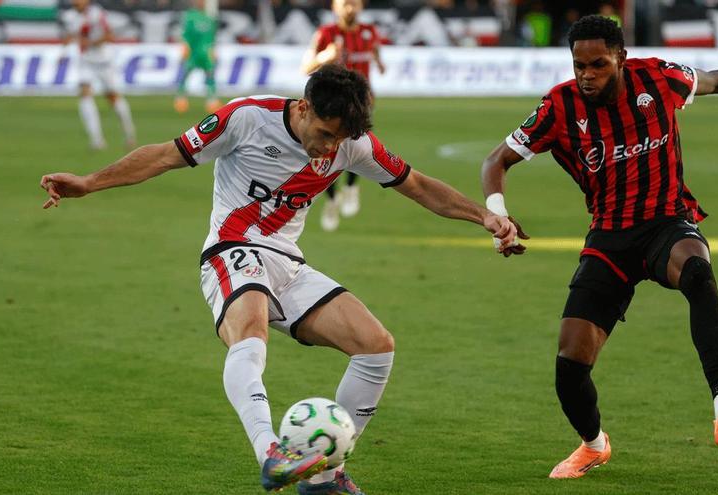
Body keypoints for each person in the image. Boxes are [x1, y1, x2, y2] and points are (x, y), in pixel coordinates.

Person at [40, 65, 517, 494]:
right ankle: (271, 452)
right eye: (325, 134)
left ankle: (324, 478)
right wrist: (88, 183)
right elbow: (164, 156)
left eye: (339, 140)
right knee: (250, 331)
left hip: (287, 264)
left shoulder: (351, 143)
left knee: (377, 345)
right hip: (231, 250)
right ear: (304, 107)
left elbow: (416, 184)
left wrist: (484, 218)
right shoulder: (246, 118)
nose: (330, 149)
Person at [480, 15, 718, 479]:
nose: (587, 75)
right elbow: (496, 160)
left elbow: (714, 80)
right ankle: (593, 445)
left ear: (620, 58)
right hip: (609, 237)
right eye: (579, 65)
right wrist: (497, 212)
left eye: (598, 64)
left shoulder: (657, 77)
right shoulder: (560, 106)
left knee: (698, 272)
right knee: (570, 364)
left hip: (666, 223)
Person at [301, 0, 385, 232]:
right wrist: (324, 57)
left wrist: (379, 61)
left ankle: (350, 188)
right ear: (335, 7)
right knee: (326, 151)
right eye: (345, 3)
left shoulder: (369, 32)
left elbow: (376, 51)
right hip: (329, 106)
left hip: (360, 103)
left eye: (354, 3)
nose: (350, 8)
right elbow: (305, 67)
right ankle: (330, 200)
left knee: (357, 146)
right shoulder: (325, 34)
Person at [62, 0, 136, 150]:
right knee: (84, 93)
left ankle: (129, 134)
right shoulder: (69, 16)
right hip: (86, 61)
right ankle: (96, 140)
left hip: (104, 62)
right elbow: (70, 36)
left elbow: (109, 36)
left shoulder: (97, 14)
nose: (75, 3)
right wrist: (63, 50)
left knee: (113, 98)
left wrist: (89, 42)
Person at [174, 0, 222, 115]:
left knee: (210, 76)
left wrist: (213, 49)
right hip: (193, 53)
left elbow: (212, 36)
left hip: (206, 53)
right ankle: (181, 99)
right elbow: (185, 35)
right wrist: (185, 47)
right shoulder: (190, 17)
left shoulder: (209, 17)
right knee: (185, 75)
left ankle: (212, 101)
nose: (201, 3)